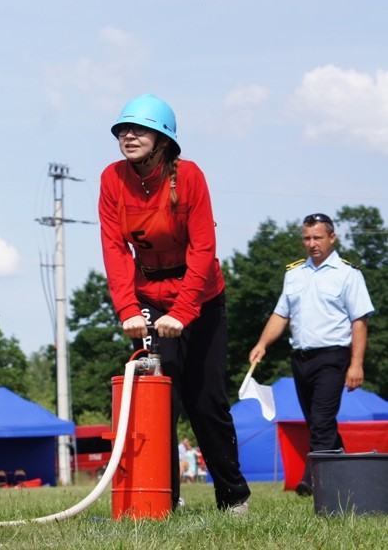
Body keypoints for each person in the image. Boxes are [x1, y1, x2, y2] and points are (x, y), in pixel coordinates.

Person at [98, 94, 251, 513]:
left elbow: (204, 248)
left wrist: (183, 312)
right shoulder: (111, 178)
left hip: (201, 296)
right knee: (158, 398)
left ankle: (233, 497)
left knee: (207, 401)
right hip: (148, 295)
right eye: (122, 130)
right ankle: (164, 499)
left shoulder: (189, 177)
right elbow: (114, 248)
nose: (128, 136)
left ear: (164, 140)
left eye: (139, 130)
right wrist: (127, 308)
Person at [248, 213, 373, 497]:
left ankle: (313, 480)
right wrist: (262, 344)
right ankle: (346, 473)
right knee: (317, 422)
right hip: (301, 358)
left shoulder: (348, 274)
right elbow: (281, 314)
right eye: (307, 238)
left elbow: (360, 321)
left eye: (317, 237)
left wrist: (356, 364)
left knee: (321, 420)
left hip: (333, 356)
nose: (312, 244)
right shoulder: (294, 274)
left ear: (332, 237)